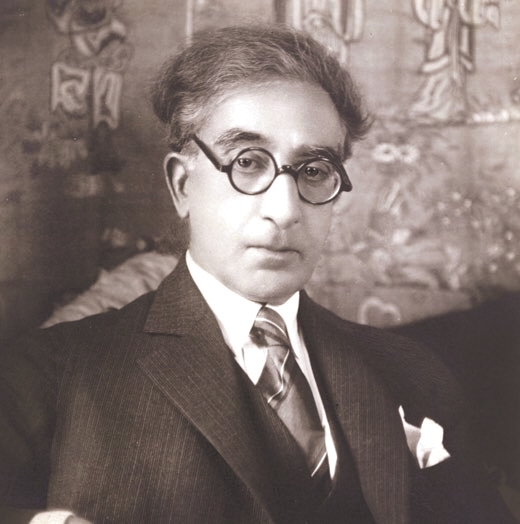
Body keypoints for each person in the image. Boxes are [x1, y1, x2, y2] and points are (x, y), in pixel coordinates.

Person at [0, 24, 516, 524]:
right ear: (182, 185)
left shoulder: (413, 374)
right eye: (248, 162)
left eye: (314, 171)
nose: (285, 209)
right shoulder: (49, 373)